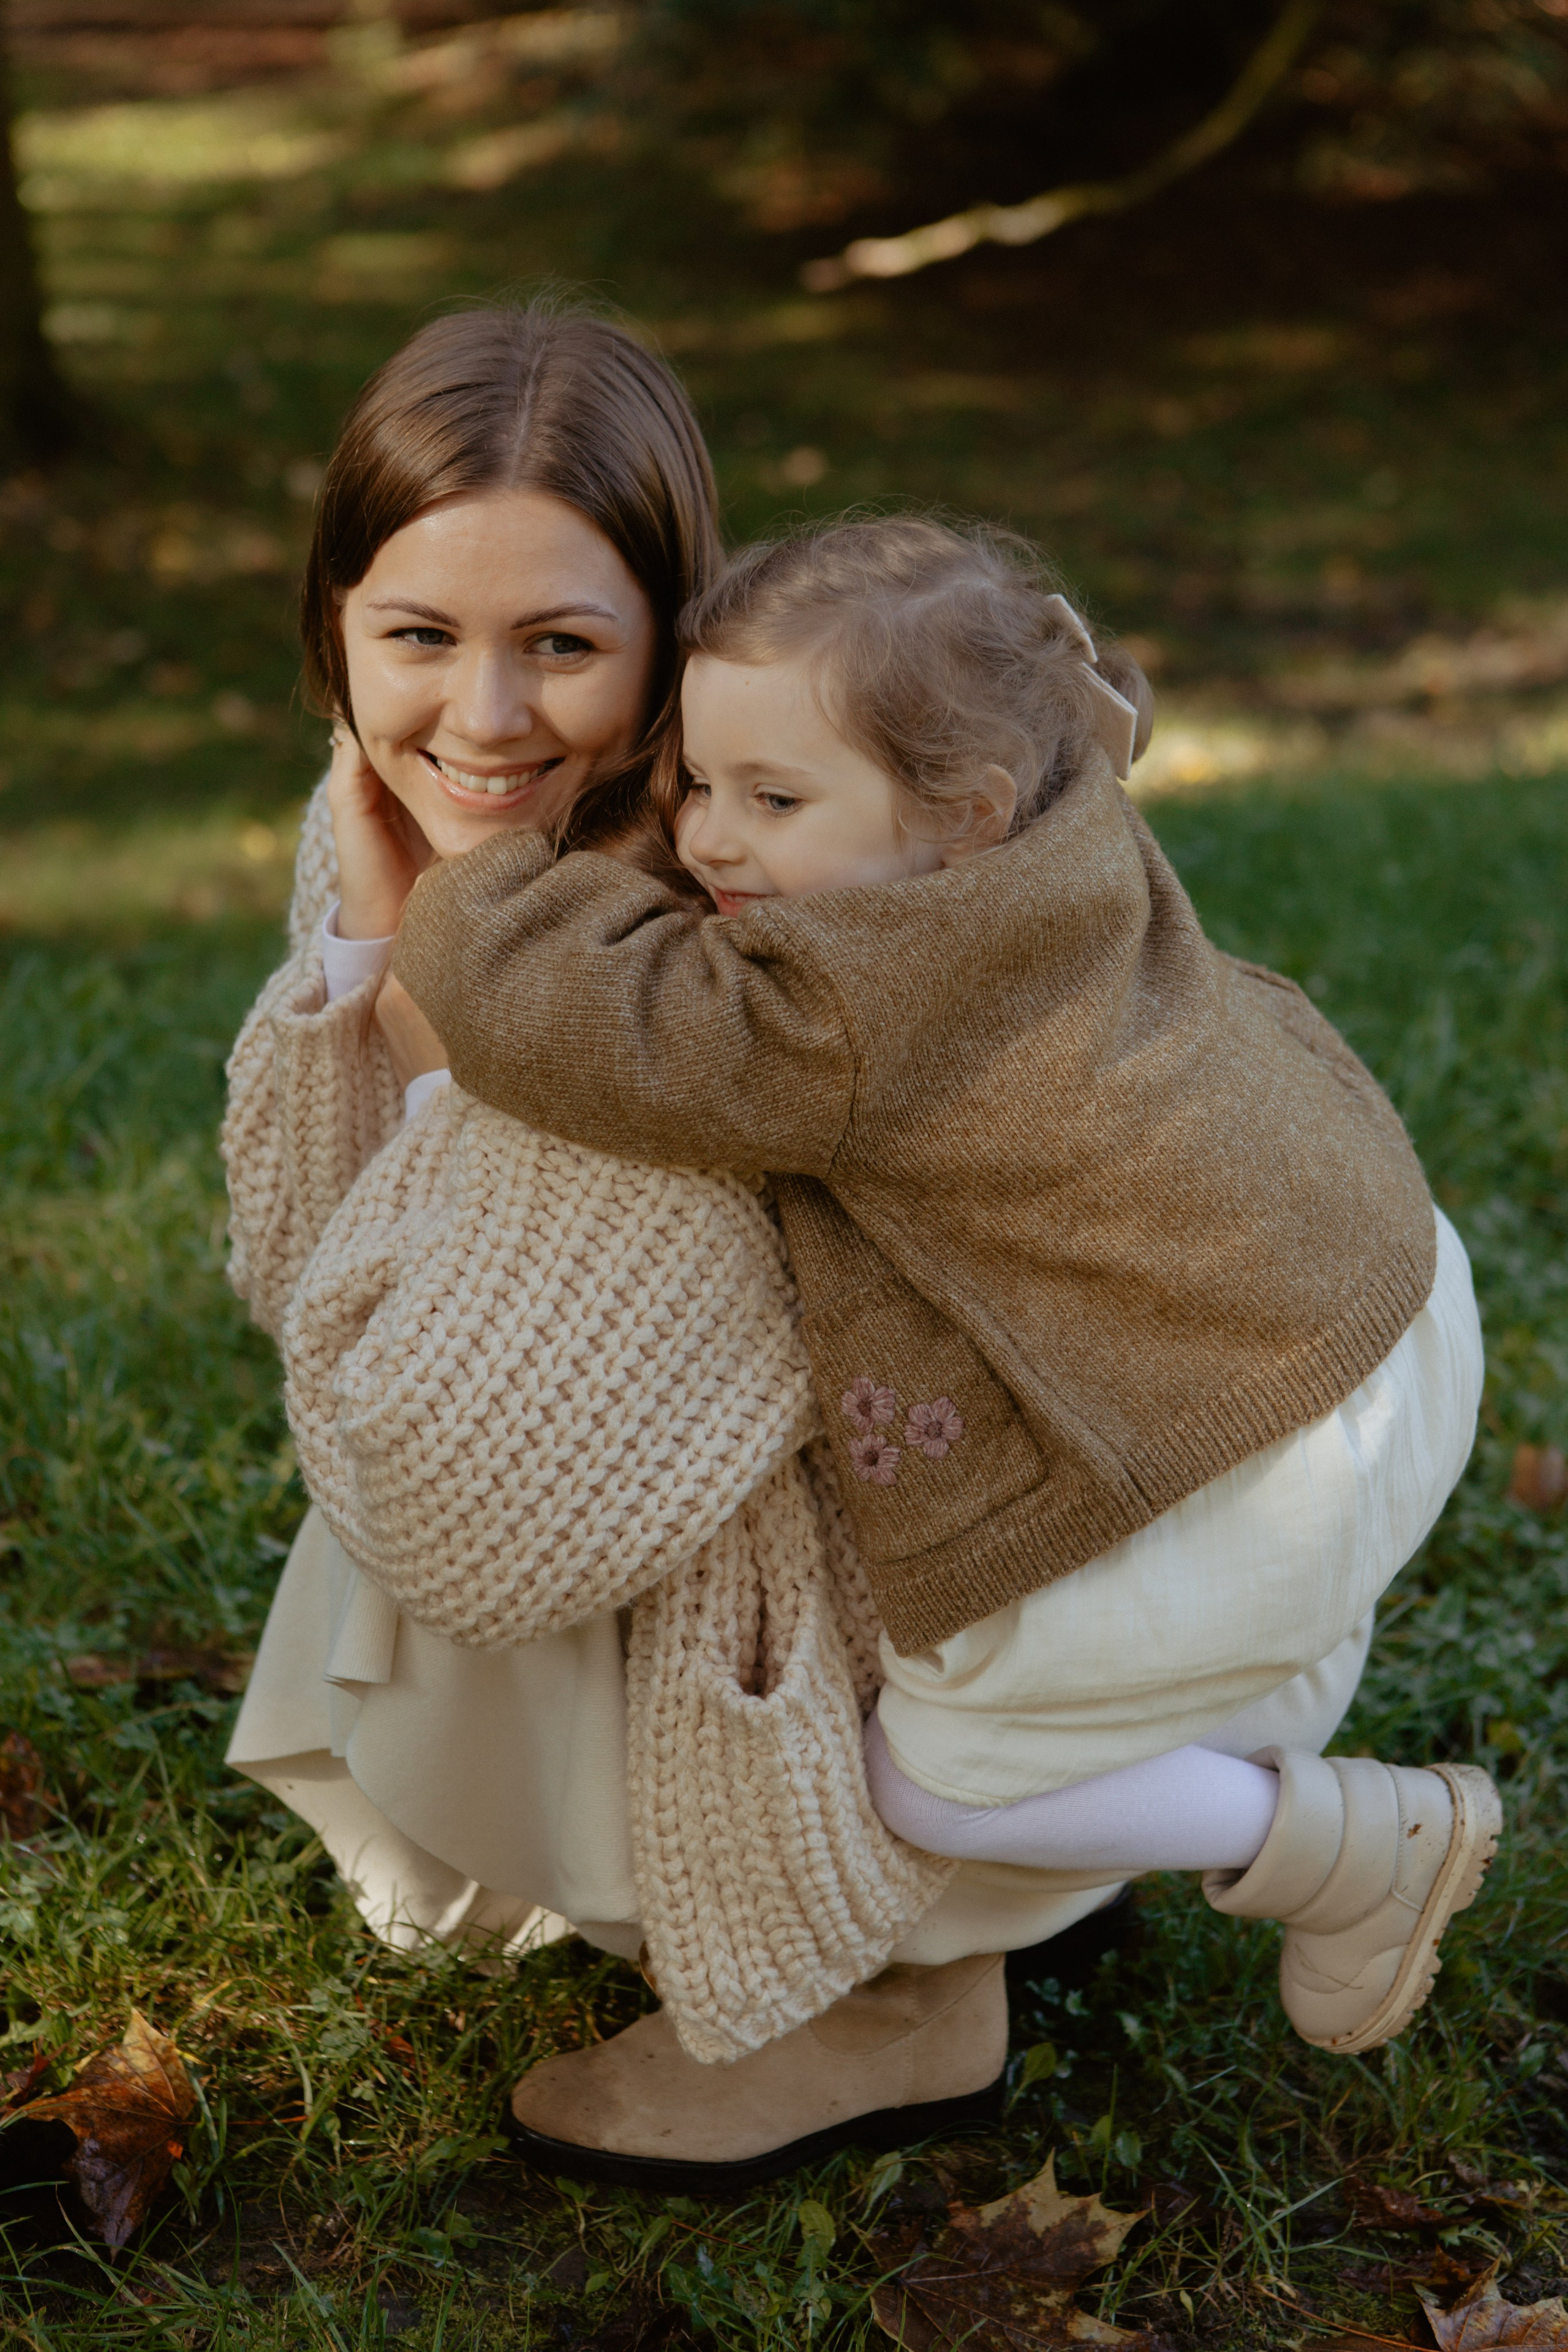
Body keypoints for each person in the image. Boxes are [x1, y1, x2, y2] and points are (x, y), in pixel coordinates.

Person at [386, 513, 1501, 2165]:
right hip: (1383, 1307)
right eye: (697, 779)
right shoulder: (1063, 813)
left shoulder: (846, 1005)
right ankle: (1178, 1752)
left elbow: (582, 1027)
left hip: (1226, 1439)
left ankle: (1341, 1842)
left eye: (775, 800)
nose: (708, 838)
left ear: (958, 814)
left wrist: (467, 881)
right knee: (1088, 1698)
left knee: (947, 1775)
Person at [225, 307, 1185, 2201]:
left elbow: (486, 1484)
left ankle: (897, 1985)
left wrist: (429, 1032)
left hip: (927, 1551)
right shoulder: (437, 839)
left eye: (562, 647)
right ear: (333, 624)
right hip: (712, 1459)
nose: (483, 722)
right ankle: (925, 1882)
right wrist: (358, 958)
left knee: (449, 1456)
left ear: (672, 646)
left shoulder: (708, 927)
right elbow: (296, 1267)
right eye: (417, 637)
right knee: (407, 1402)